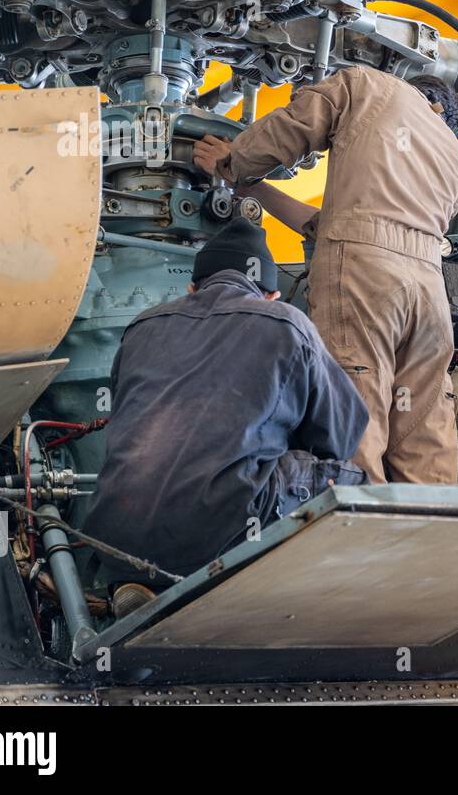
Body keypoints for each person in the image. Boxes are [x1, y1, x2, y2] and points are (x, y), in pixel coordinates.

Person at [191, 67, 458, 485]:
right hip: (430, 292)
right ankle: (432, 532)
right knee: (426, 428)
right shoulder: (452, 154)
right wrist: (256, 191)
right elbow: (348, 224)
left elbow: (297, 123)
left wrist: (233, 162)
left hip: (367, 278)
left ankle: (356, 531)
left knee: (356, 408)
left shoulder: (369, 85)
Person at [81, 218, 369, 580]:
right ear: (271, 294)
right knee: (346, 479)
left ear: (191, 287)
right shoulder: (288, 322)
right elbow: (340, 434)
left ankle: (136, 584)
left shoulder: (142, 326)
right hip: (214, 533)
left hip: (113, 538)